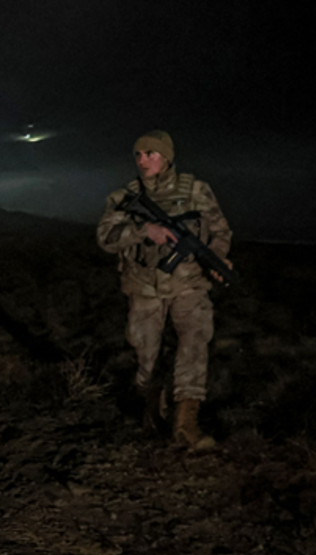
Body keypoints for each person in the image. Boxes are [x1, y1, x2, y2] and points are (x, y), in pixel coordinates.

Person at [97, 130, 233, 451]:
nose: (143, 160)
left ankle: (185, 423)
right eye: (139, 154)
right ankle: (152, 408)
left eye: (151, 153)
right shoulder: (124, 196)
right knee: (147, 354)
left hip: (190, 285)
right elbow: (105, 238)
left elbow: (220, 230)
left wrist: (217, 257)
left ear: (167, 157)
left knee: (194, 342)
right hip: (144, 286)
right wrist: (143, 230)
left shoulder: (196, 190)